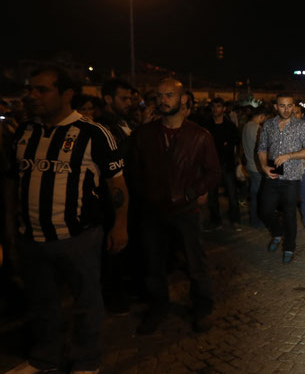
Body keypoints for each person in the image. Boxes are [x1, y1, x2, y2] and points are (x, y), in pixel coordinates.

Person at [5, 66, 128, 374]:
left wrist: (120, 225)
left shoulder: (93, 133)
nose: (32, 96)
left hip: (78, 238)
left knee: (86, 302)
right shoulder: (24, 131)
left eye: (42, 89)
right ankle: (45, 358)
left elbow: (117, 185)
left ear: (66, 94)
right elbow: (10, 182)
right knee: (42, 303)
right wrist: (9, 229)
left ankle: (86, 361)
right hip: (31, 237)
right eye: (30, 89)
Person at [129, 78, 221, 334]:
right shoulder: (144, 135)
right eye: (159, 95)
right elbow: (135, 171)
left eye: (169, 95)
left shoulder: (200, 136)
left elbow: (213, 173)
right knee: (153, 265)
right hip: (152, 211)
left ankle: (203, 307)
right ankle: (158, 307)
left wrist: (193, 192)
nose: (163, 100)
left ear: (182, 99)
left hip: (186, 212)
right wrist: (145, 196)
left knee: (195, 263)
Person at [95, 77, 138, 316]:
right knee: (114, 248)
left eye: (131, 98)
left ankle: (124, 288)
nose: (129, 102)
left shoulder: (125, 121)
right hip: (112, 196)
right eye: (124, 98)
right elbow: (114, 160)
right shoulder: (101, 127)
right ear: (108, 99)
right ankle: (113, 295)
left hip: (131, 191)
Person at [257, 94, 305, 264]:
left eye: (290, 105)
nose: (287, 109)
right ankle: (277, 232)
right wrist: (263, 166)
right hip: (272, 174)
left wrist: (289, 156)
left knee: (290, 214)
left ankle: (289, 246)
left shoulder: (300, 126)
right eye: (282, 106)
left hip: (292, 178)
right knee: (265, 210)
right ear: (276, 107)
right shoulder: (268, 125)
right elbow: (261, 149)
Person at [206, 98, 242, 231]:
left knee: (232, 195)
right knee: (212, 195)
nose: (216, 109)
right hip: (211, 165)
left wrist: (238, 160)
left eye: (218, 106)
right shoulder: (207, 126)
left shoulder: (230, 126)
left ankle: (235, 220)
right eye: (213, 106)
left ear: (224, 108)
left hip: (227, 164)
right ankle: (216, 221)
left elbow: (238, 143)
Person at [242, 107, 268, 228]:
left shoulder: (246, 126)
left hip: (249, 165)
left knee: (254, 196)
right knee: (259, 196)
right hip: (256, 167)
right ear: (261, 116)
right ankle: (259, 222)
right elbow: (262, 147)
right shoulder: (256, 128)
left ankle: (254, 220)